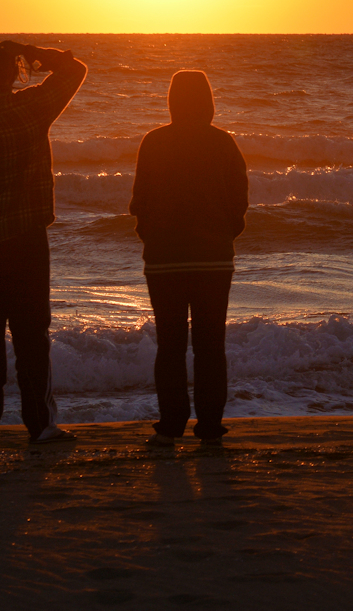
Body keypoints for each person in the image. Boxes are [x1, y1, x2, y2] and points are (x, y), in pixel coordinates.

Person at [0, 40, 86, 444]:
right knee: (30, 335)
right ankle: (40, 425)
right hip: (25, 238)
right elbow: (76, 70)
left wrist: (15, 57)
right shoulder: (30, 108)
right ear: (12, 72)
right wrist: (31, 49)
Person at [130, 70, 248, 446]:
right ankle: (210, 423)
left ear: (172, 101)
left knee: (170, 343)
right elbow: (239, 201)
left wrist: (150, 233)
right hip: (214, 259)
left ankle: (171, 422)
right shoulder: (223, 142)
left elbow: (139, 201)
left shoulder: (154, 141)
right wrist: (224, 234)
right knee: (211, 344)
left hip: (164, 259)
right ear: (208, 101)